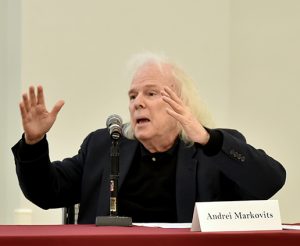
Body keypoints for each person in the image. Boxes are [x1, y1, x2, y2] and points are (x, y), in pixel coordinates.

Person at [12, 53, 286, 224]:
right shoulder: (104, 145)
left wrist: (208, 140)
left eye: (151, 93)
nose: (137, 104)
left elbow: (270, 182)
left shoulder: (212, 149)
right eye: (133, 96)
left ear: (181, 101)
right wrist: (33, 143)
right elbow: (46, 192)